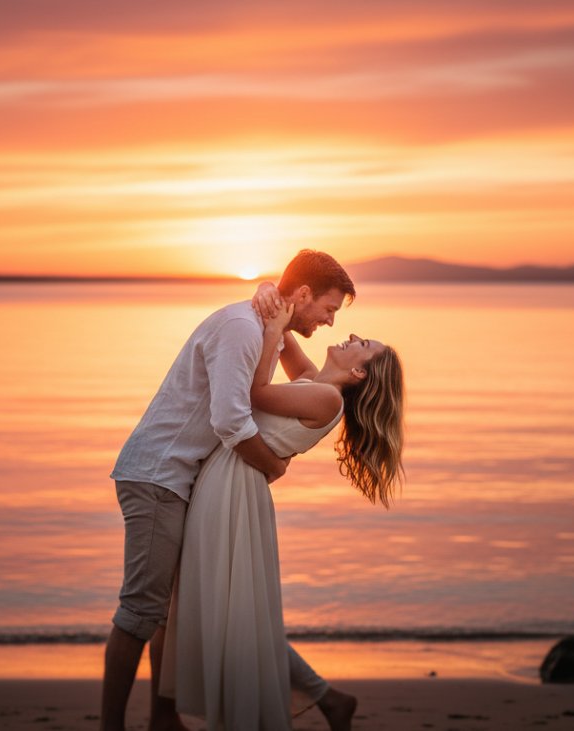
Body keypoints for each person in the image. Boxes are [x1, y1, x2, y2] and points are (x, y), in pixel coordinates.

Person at [101, 251, 357, 731]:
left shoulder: (262, 331)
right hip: (159, 475)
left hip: (182, 478)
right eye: (329, 308)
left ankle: (162, 717)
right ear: (302, 293)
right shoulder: (244, 328)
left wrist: (271, 311)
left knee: (165, 613)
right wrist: (274, 467)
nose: (329, 321)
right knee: (141, 610)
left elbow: (269, 390)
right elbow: (230, 418)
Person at [162, 298, 406, 730]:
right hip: (232, 481)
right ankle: (328, 699)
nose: (350, 335)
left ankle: (304, 702)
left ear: (360, 373)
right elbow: (285, 319)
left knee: (229, 606)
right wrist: (269, 291)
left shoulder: (327, 400)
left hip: (233, 488)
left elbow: (251, 394)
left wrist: (272, 330)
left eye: (361, 343)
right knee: (233, 606)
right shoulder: (314, 383)